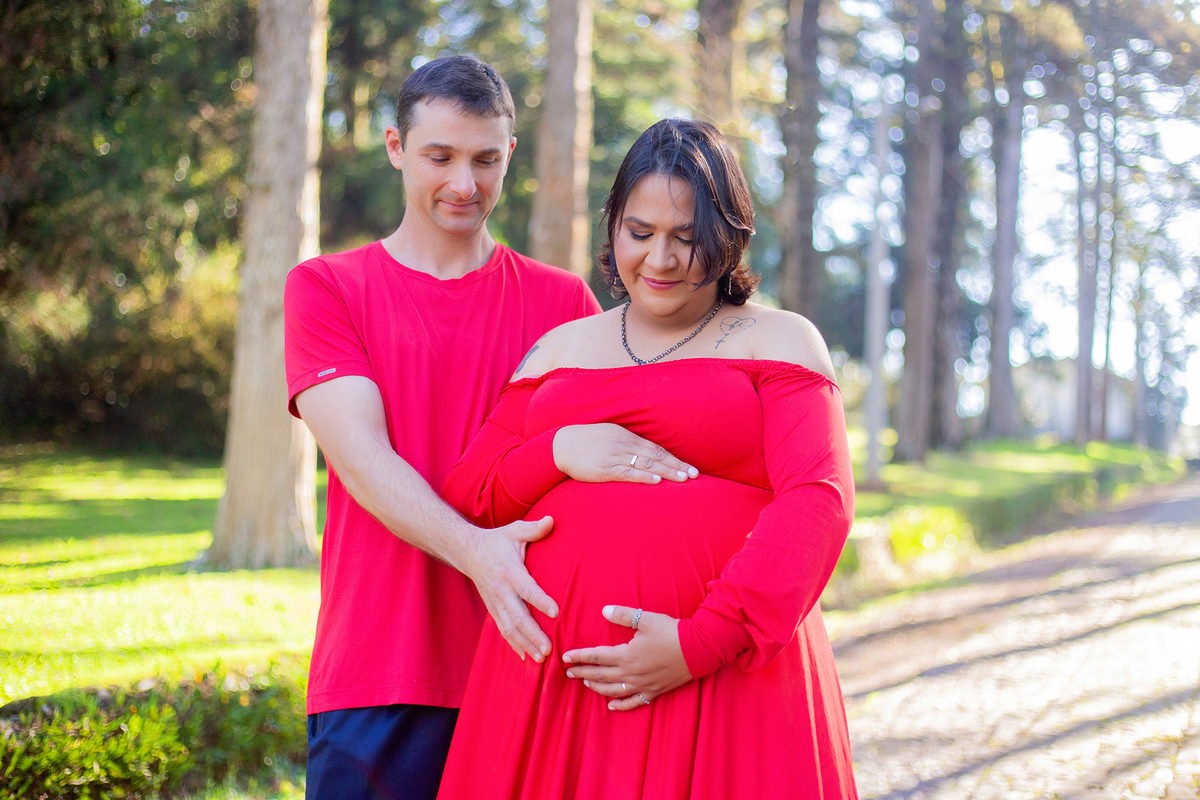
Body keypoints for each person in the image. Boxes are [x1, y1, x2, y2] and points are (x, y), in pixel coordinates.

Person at [436, 118, 858, 799]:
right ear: (613, 227)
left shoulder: (781, 339)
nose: (660, 260)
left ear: (729, 236)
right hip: (556, 690)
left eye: (687, 239)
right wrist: (557, 451)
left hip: (725, 679)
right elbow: (473, 491)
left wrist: (699, 644)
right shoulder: (560, 349)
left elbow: (818, 502)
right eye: (640, 232)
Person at [284, 56, 638, 800]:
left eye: (484, 159)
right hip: (379, 672)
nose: (463, 184)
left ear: (509, 153)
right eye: (438, 157)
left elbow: (612, 479)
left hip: (534, 669)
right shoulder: (327, 289)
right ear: (394, 147)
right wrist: (478, 553)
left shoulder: (565, 304)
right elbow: (360, 457)